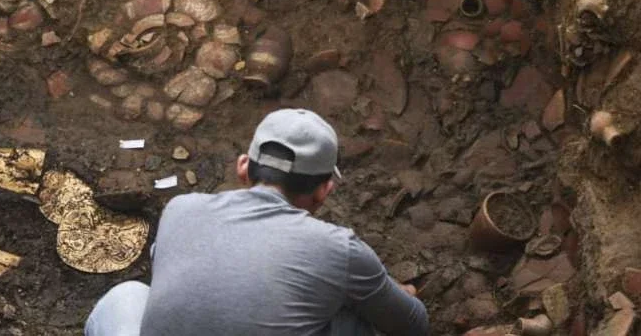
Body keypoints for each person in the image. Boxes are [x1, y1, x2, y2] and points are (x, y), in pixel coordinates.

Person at [84, 108, 430, 336]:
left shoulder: (180, 209)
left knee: (127, 296)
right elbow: (413, 324)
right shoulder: (339, 249)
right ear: (324, 190)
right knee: (351, 321)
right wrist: (390, 291)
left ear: (243, 167)